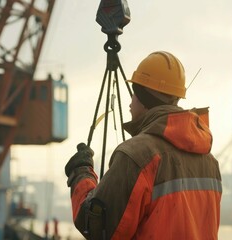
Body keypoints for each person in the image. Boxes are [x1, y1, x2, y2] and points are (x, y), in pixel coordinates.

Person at [65, 51, 222, 239]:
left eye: (134, 94)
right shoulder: (210, 162)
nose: (130, 105)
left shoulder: (137, 155)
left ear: (144, 98)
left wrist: (81, 174)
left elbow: (97, 228)